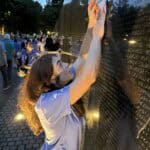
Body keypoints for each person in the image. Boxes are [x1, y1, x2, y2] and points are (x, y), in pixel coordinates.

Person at [18, 0, 106, 149]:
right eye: (59, 64)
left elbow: (82, 58)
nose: (66, 65)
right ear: (49, 78)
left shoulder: (60, 84)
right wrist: (97, 36)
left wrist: (91, 23)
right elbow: (90, 76)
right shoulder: (46, 104)